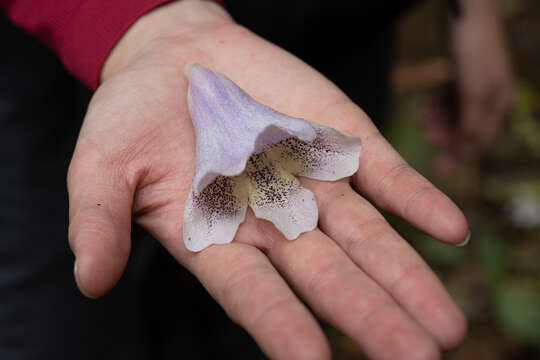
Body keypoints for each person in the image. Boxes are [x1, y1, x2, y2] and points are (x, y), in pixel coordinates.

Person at [0, 0, 513, 359]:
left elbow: (333, 154)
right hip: (61, 56)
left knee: (248, 326)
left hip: (343, 27)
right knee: (58, 328)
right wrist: (135, 21)